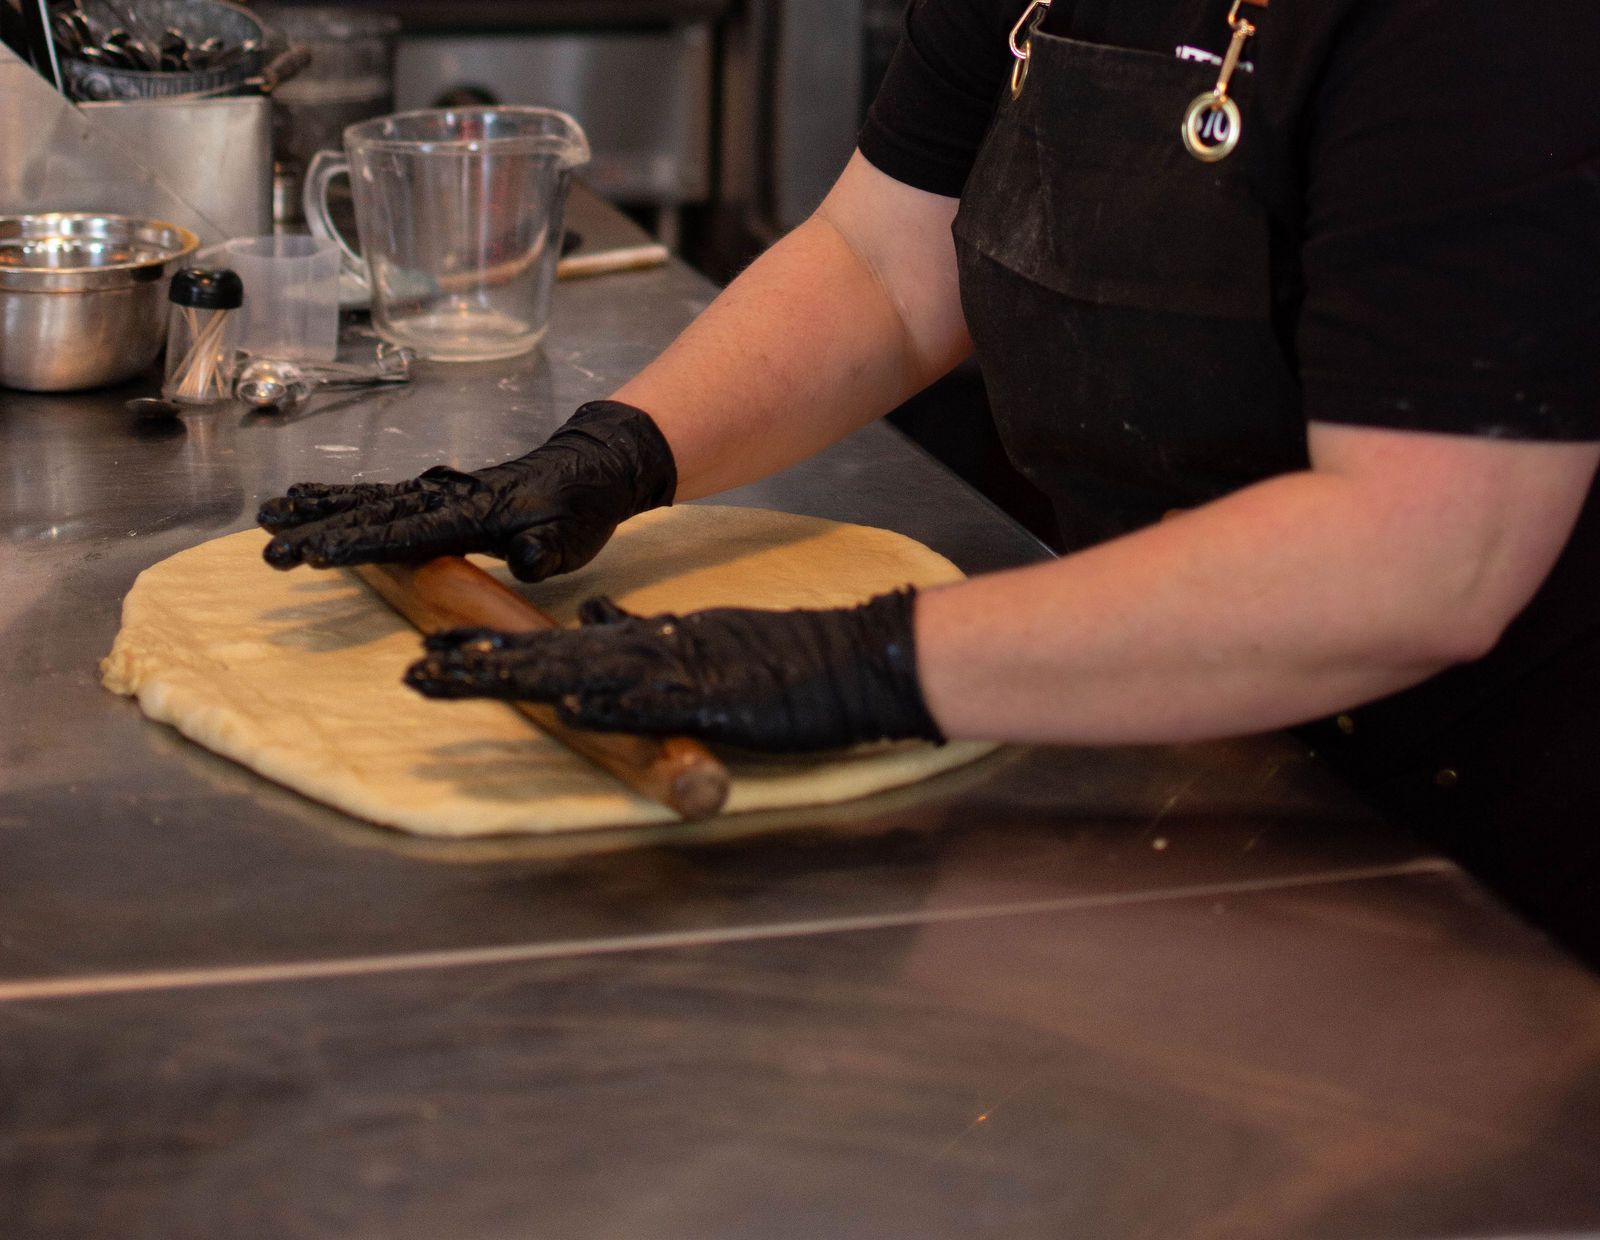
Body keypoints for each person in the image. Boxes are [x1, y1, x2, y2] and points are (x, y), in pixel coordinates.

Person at [259, 0, 1600, 960]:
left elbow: (1423, 556)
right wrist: (617, 455)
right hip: (1182, 744)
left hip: (1490, 844)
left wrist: (862, 666)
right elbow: (887, 265)